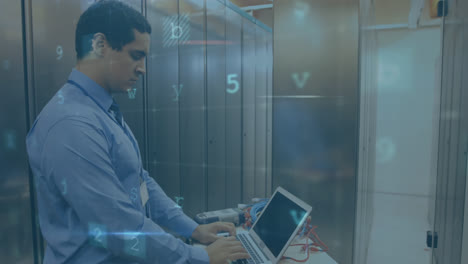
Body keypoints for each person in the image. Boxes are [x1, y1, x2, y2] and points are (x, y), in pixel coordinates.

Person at [26, 1, 249, 263]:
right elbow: (117, 226)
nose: (143, 68)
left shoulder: (103, 111)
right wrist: (197, 257)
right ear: (99, 45)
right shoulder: (71, 124)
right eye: (136, 55)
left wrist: (192, 229)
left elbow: (140, 182)